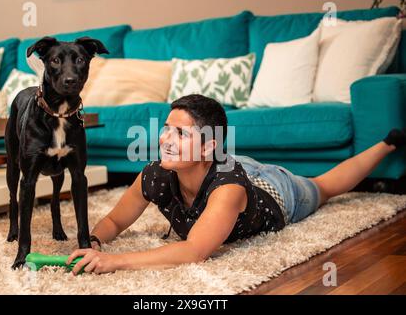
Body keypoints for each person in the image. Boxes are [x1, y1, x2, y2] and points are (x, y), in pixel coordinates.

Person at [67, 94, 406, 275]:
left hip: (272, 190)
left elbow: (194, 252)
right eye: (167, 128)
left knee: (324, 187)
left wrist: (116, 262)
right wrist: (94, 240)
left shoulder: (229, 189)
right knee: (230, 166)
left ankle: (388, 143)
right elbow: (113, 220)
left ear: (206, 145)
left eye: (180, 133)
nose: (165, 139)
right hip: (221, 164)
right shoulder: (156, 173)